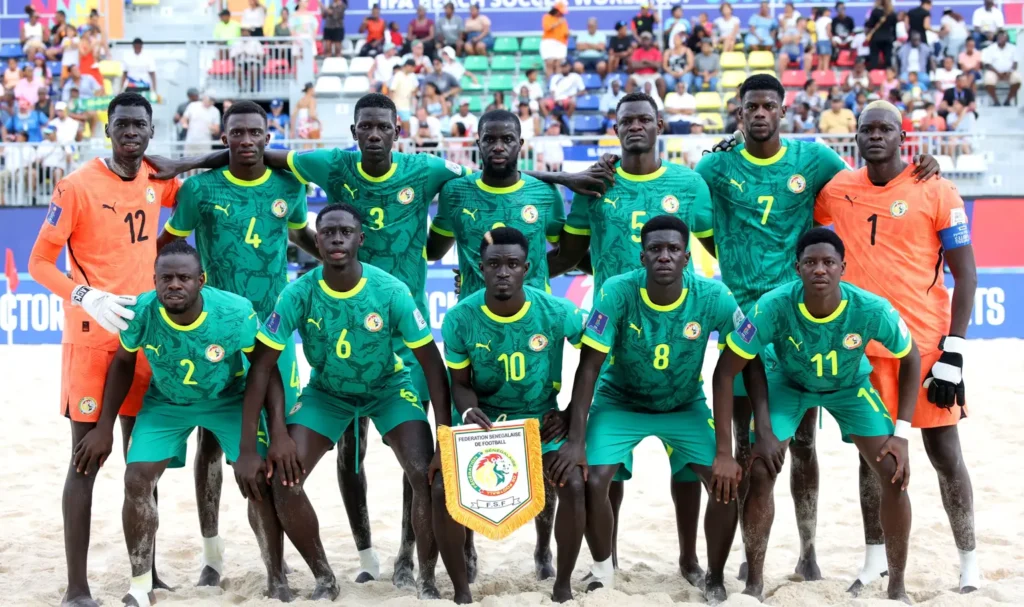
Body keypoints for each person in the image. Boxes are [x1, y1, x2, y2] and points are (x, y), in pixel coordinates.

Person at [152, 92, 607, 589]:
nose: (373, 135)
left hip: (407, 343)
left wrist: (561, 182)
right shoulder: (333, 170)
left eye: (382, 127)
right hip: (334, 348)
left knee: (439, 461)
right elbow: (256, 151)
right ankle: (362, 555)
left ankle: (415, 561)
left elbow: (497, 178)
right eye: (364, 127)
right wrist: (189, 162)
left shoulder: (429, 173)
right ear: (353, 131)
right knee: (347, 454)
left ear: (396, 131)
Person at [693, 74, 939, 583]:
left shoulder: (817, 160)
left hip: (800, 322)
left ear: (783, 111)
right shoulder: (714, 166)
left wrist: (920, 171)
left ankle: (808, 550)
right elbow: (701, 229)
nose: (759, 113)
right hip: (744, 317)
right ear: (738, 113)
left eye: (768, 106)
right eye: (750, 107)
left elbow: (868, 180)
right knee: (750, 445)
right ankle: (751, 552)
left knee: (801, 444)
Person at [240, 202, 457, 601]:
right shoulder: (298, 293)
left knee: (426, 474)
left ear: (361, 238)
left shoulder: (391, 290)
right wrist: (271, 438)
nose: (336, 238)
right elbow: (260, 368)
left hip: (388, 388)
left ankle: (423, 577)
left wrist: (445, 437)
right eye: (327, 232)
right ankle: (324, 577)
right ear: (315, 241)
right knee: (283, 480)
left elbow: (432, 366)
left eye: (345, 232)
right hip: (327, 394)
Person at [548, 92, 716, 582]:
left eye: (645, 118)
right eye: (627, 120)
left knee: (687, 466)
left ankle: (689, 559)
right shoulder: (597, 184)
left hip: (675, 339)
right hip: (614, 340)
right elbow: (571, 254)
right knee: (607, 467)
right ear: (615, 127)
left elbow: (715, 245)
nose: (636, 126)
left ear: (660, 124)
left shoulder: (688, 184)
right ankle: (610, 561)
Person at [815, 99, 980, 596]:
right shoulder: (837, 189)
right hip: (861, 350)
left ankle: (969, 564)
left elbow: (966, 272)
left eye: (887, 128)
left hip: (925, 345)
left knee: (944, 453)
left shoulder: (936, 188)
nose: (876, 135)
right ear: (857, 137)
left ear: (903, 136)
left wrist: (955, 351)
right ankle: (873, 562)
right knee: (870, 460)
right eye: (868, 128)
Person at [73, 240, 291, 606]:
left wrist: (267, 435)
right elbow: (124, 363)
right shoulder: (140, 311)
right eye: (166, 278)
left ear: (201, 280)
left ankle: (276, 576)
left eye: (184, 277)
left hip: (227, 399)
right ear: (154, 280)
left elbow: (264, 371)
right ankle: (141, 585)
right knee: (136, 478)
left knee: (258, 479)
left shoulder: (235, 312)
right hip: (167, 403)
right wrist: (103, 427)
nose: (174, 284)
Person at [27, 92, 181, 607]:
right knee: (86, 460)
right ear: (108, 128)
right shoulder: (75, 186)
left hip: (145, 343)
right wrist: (84, 294)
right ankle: (76, 588)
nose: (131, 131)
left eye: (140, 124)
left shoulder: (159, 181)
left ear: (151, 131)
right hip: (93, 341)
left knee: (145, 462)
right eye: (122, 123)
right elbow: (39, 264)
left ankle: (149, 573)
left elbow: (199, 186)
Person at [153, 101, 315, 586]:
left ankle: (276, 558)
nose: (246, 139)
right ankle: (212, 555)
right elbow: (168, 248)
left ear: (269, 137)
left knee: (278, 441)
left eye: (255, 132)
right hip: (214, 336)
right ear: (224, 139)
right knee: (211, 443)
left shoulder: (290, 186)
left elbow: (301, 234)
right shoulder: (200, 189)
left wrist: (341, 257)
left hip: (273, 334)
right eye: (237, 132)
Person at [714, 227, 921, 602]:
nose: (820, 269)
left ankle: (897, 588)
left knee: (893, 472)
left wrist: (902, 432)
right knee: (761, 467)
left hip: (849, 388)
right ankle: (754, 584)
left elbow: (911, 356)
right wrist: (759, 429)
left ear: (844, 266)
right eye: (811, 262)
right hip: (789, 384)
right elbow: (726, 370)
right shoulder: (773, 306)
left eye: (828, 262)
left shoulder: (871, 309)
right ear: (797, 268)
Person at [559, 214, 742, 601]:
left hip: (683, 404)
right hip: (620, 401)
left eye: (673, 249)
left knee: (723, 482)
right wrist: (576, 440)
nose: (664, 257)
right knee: (594, 477)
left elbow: (744, 362)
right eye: (655, 250)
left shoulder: (714, 296)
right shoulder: (617, 291)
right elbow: (589, 366)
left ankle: (711, 574)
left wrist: (727, 451)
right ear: (641, 257)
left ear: (687, 258)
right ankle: (603, 569)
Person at [437, 226, 588, 603]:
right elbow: (459, 382)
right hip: (486, 424)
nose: (503, 272)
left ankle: (557, 576)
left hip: (542, 418)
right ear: (481, 267)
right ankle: (462, 587)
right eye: (494, 264)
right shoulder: (460, 318)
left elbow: (596, 358)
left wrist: (570, 412)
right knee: (443, 488)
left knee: (572, 482)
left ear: (527, 267)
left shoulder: (558, 311)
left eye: (512, 264)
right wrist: (468, 408)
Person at [981, 30, 1020, 106]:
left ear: (1006, 38)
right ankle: (996, 101)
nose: (1001, 38)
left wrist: (1009, 72)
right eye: (999, 36)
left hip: (1009, 72)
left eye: (1003, 36)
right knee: (988, 79)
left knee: (1017, 79)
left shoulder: (1013, 48)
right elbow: (987, 64)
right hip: (994, 72)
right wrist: (998, 73)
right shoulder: (990, 48)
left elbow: (1015, 63)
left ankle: (1008, 100)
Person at [626, 32, 665, 99]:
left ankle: (660, 102)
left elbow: (658, 65)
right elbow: (634, 65)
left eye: (647, 40)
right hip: (639, 75)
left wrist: (646, 61)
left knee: (661, 81)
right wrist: (651, 64)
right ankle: (628, 102)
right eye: (643, 40)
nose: (645, 42)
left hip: (653, 75)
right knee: (630, 80)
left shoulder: (656, 52)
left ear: (651, 41)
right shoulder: (637, 51)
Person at [864, 0, 897, 70]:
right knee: (888, 60)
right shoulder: (892, 13)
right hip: (888, 38)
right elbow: (894, 28)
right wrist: (893, 38)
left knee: (874, 60)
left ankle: (873, 76)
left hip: (876, 38)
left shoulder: (875, 12)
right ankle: (889, 76)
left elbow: (869, 25)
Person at [541, 1, 570, 78]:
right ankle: (550, 84)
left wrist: (568, 33)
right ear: (556, 10)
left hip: (561, 44)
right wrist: (557, 23)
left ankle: (558, 83)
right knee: (550, 63)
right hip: (549, 42)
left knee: (559, 63)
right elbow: (547, 28)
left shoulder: (563, 20)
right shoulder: (547, 17)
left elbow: (565, 33)